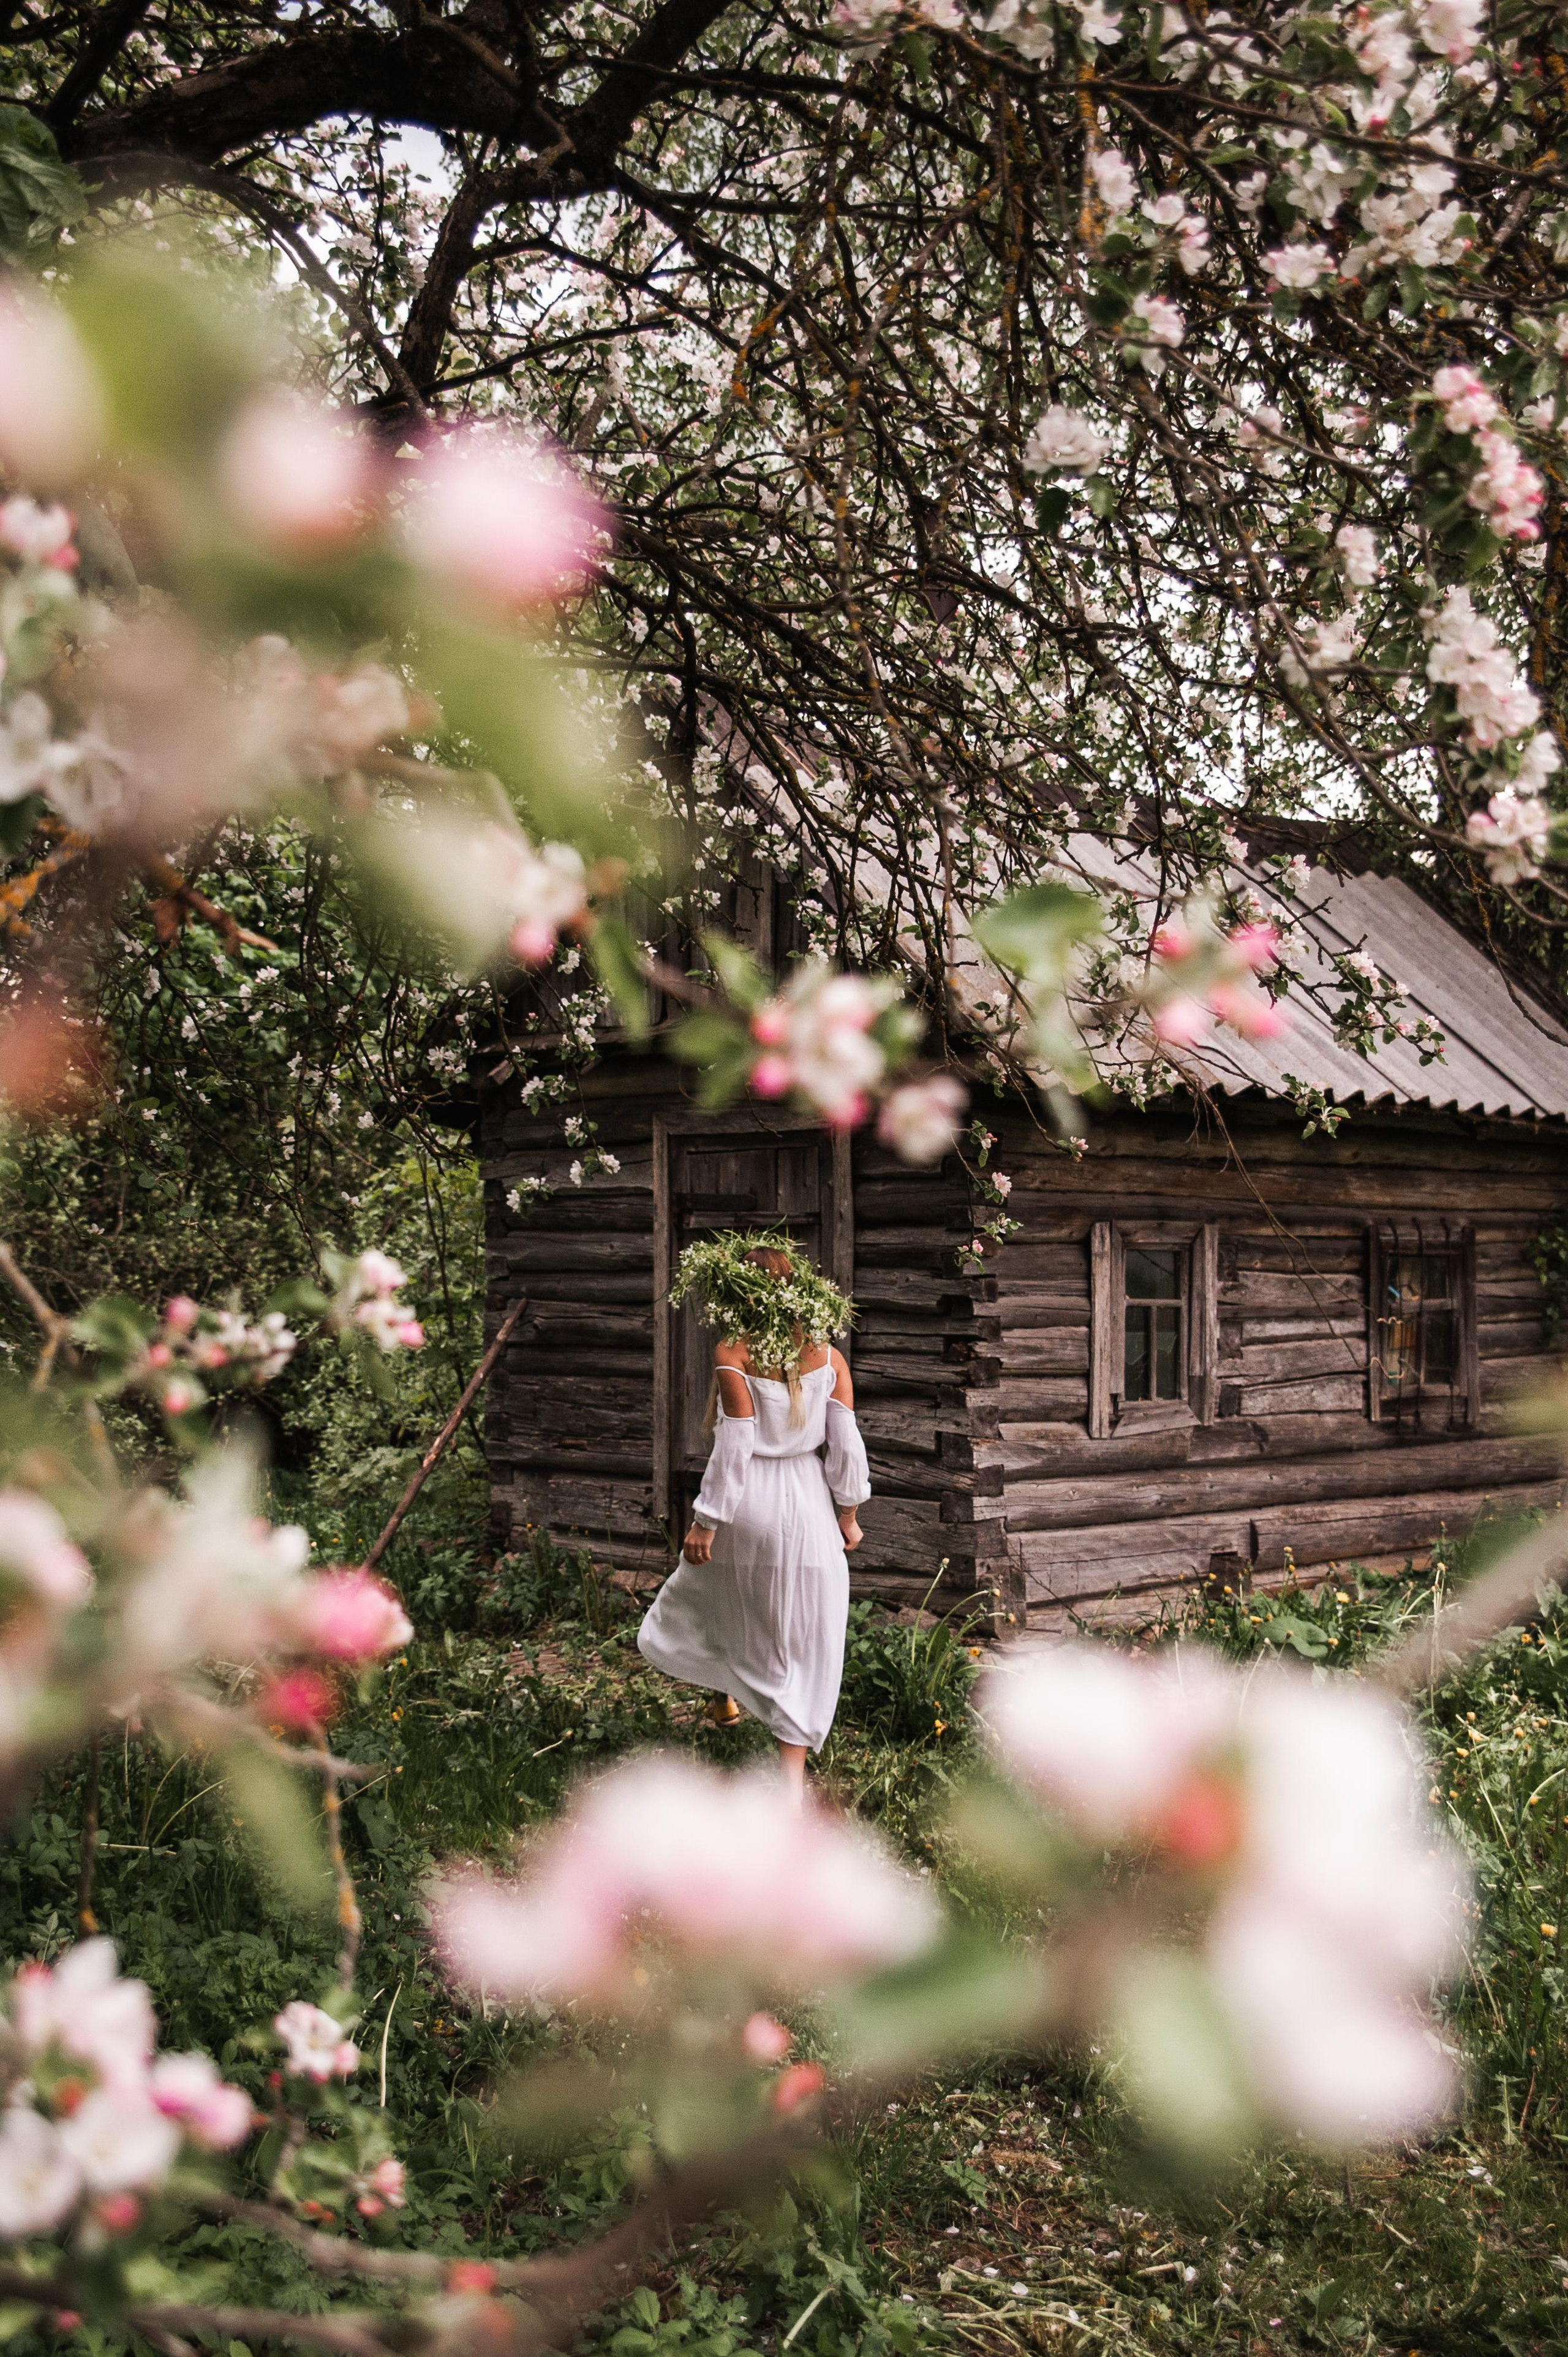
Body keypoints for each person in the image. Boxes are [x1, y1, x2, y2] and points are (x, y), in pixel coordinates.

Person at [637, 1238, 870, 1797]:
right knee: (806, 1633)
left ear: (737, 1295)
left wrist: (707, 1520)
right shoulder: (830, 1356)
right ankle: (790, 1782)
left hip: (749, 1506)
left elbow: (736, 1444)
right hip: (808, 1501)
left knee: (712, 1594)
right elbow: (847, 1446)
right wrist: (850, 1512)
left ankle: (723, 1688)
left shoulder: (732, 1352)